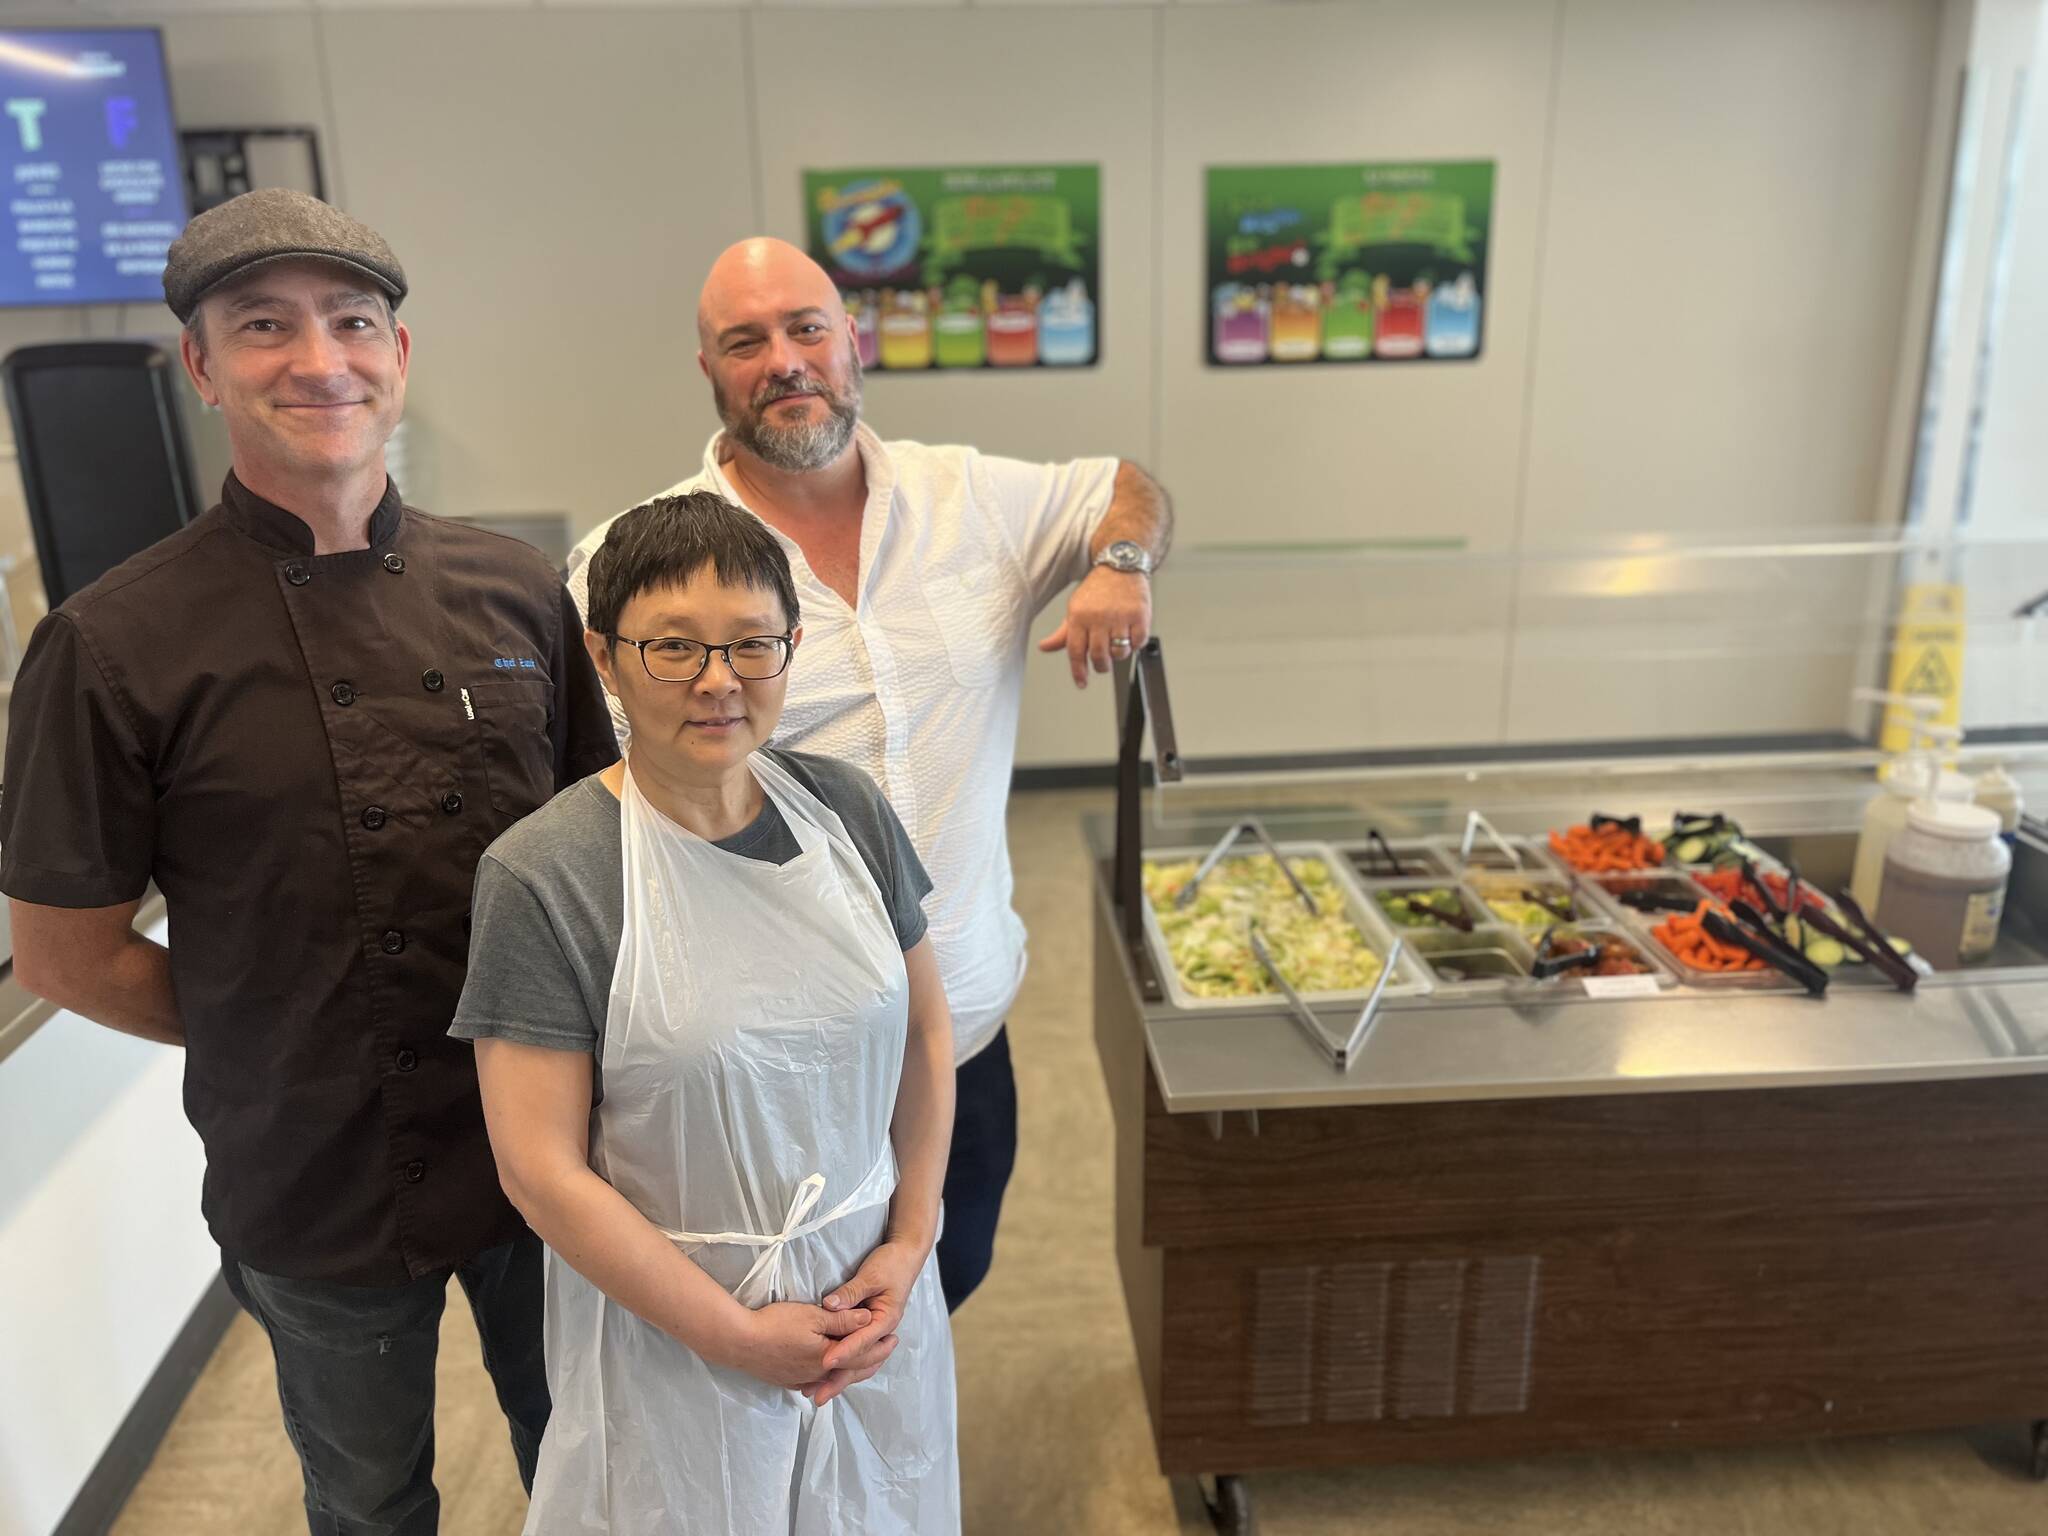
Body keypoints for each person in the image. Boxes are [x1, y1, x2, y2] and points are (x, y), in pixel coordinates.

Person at [0, 189, 619, 1535]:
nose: (319, 359)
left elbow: (602, 851)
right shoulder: (111, 645)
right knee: (369, 1500)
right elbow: (62, 953)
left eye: (354, 322)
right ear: (203, 368)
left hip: (553, 1143)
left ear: (401, 355)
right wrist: (260, 1023)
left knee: (597, 1465)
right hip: (315, 1167)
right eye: (264, 326)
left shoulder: (514, 588)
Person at [564, 237, 1173, 1311]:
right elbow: (604, 795)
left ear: (854, 343)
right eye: (743, 342)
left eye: (806, 329)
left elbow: (1125, 486)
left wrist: (1118, 566)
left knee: (949, 1271)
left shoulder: (969, 498)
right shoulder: (638, 561)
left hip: (963, 1024)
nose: (783, 361)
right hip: (772, 1054)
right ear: (707, 371)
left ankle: (901, 1477)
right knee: (781, 1313)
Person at [455, 490, 958, 1533]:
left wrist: (909, 1244)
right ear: (603, 655)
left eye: (749, 646)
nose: (717, 681)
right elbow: (538, 1172)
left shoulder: (848, 813)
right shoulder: (548, 875)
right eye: (672, 647)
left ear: (791, 646)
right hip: (675, 1333)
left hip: (872, 1300)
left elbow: (920, 1033)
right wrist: (734, 1336)